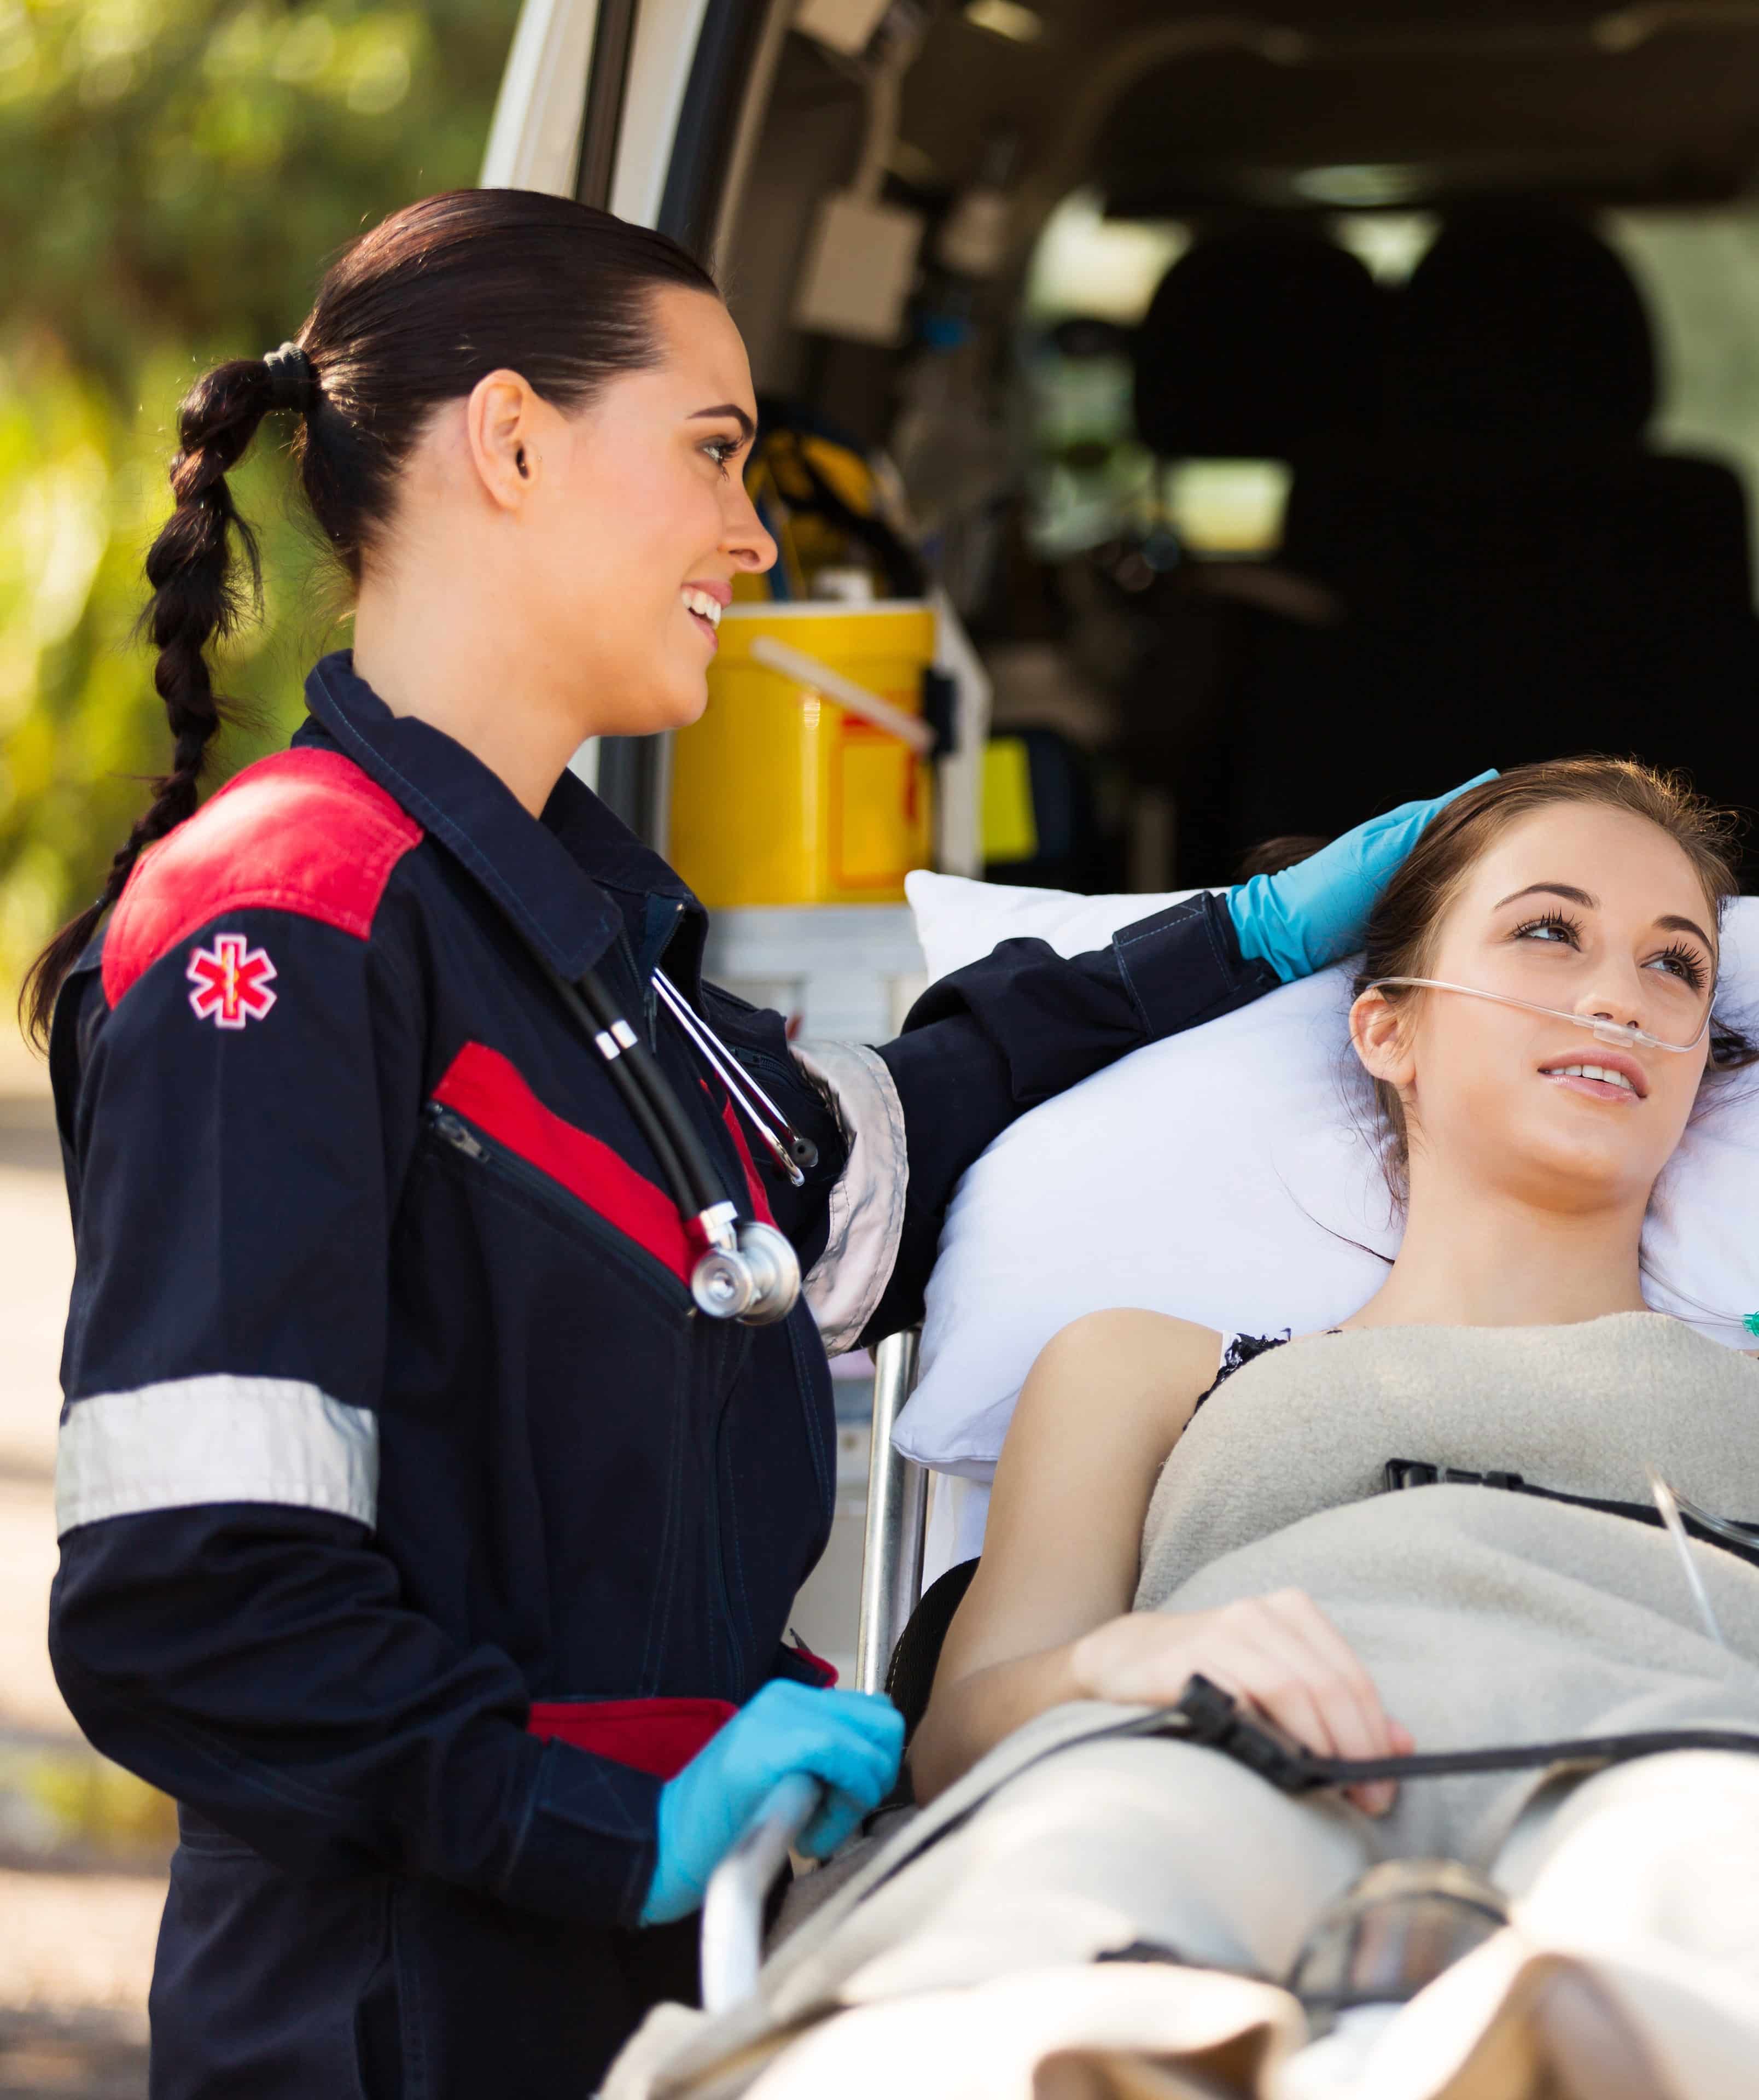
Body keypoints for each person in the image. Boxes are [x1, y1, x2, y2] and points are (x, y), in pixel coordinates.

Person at [39, 188, 1464, 2099]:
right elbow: (190, 1601)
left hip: (654, 1982)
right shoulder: (290, 924)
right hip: (405, 2020)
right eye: (713, 451)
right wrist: (607, 1808)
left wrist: (1248, 935)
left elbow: (843, 1176)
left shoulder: (568, 943)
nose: (755, 530)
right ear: (516, 441)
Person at [607, 761, 1759, 2100]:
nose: (1621, 997)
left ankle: (1606, 2038)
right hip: (1228, 1757)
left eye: (1676, 967)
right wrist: (1124, 1667)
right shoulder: (1143, 1367)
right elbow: (959, 1742)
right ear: (1386, 1029)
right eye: (1548, 932)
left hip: (1697, 1741)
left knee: (1724, 1865)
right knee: (1072, 1871)